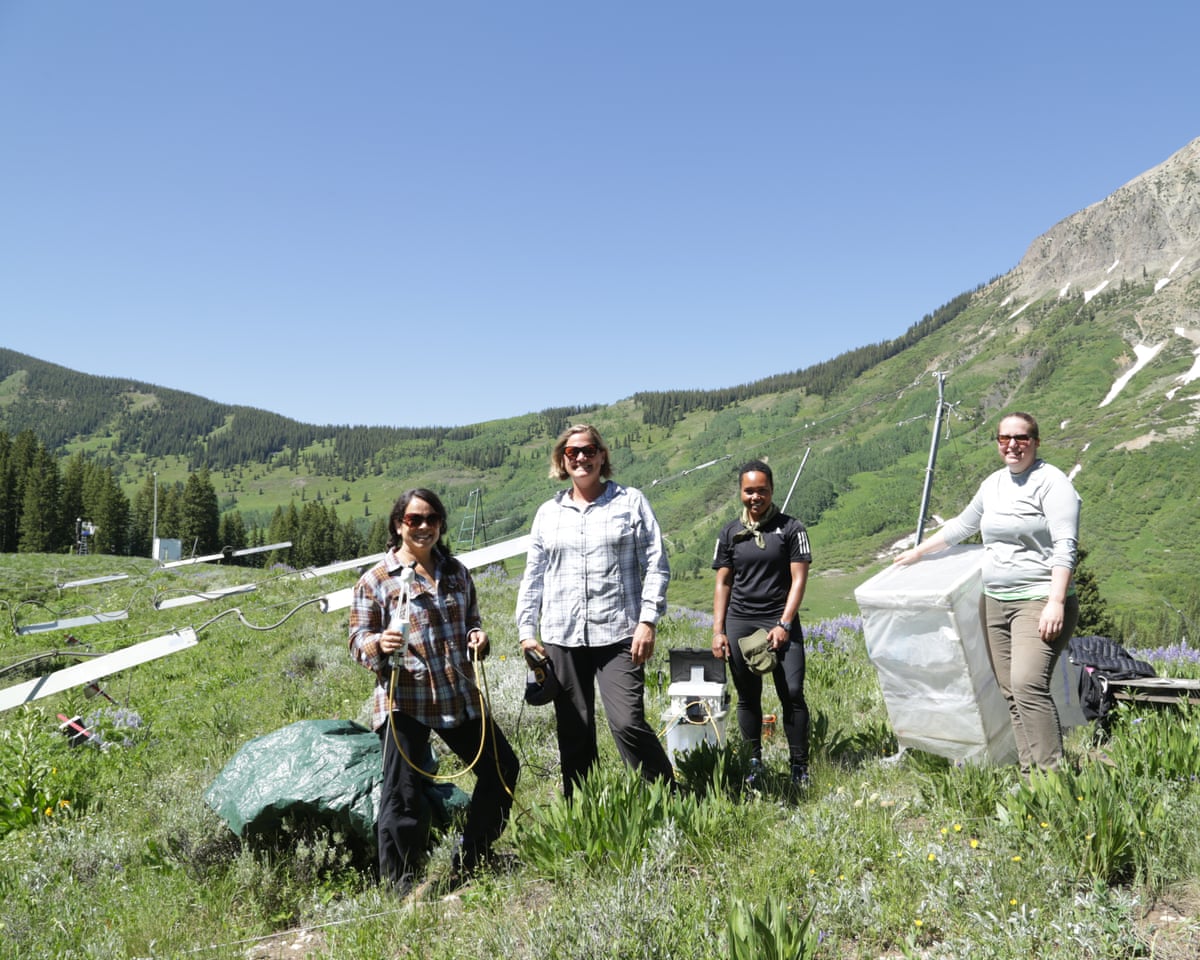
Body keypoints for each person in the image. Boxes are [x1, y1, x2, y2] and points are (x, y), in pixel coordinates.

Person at [349, 488, 519, 894]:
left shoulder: (457, 572)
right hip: (404, 699)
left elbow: (472, 621)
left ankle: (473, 858)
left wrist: (478, 637)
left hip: (457, 692)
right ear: (398, 525)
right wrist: (379, 644)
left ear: (441, 525)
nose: (424, 527)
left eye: (431, 519)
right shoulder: (376, 581)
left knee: (502, 770)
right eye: (414, 520)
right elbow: (357, 640)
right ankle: (401, 887)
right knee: (402, 795)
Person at [894, 412, 1081, 773]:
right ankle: (1030, 776)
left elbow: (1066, 545)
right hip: (995, 601)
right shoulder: (993, 484)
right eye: (1004, 438)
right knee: (1012, 692)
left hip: (1039, 600)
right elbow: (963, 525)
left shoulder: (1053, 483)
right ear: (997, 443)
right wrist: (917, 553)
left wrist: (1056, 601)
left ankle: (1053, 781)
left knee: (1028, 684)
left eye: (1022, 437)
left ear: (1036, 441)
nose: (1013, 444)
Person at [515, 423, 675, 798]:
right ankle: (582, 810)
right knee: (574, 729)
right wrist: (526, 631)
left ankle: (666, 798)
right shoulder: (547, 513)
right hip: (562, 636)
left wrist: (648, 620)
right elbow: (533, 576)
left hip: (619, 632)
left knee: (627, 722)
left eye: (589, 450)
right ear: (562, 460)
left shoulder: (630, 502)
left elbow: (656, 563)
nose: (581, 458)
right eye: (573, 452)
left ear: (602, 456)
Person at [711, 460, 813, 787]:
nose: (756, 497)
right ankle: (754, 762)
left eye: (762, 491)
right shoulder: (729, 533)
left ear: (772, 491)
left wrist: (784, 623)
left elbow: (798, 580)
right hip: (740, 621)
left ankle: (799, 766)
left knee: (792, 692)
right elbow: (723, 583)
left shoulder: (792, 529)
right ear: (740, 492)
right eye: (749, 491)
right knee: (748, 697)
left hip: (780, 619)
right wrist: (718, 631)